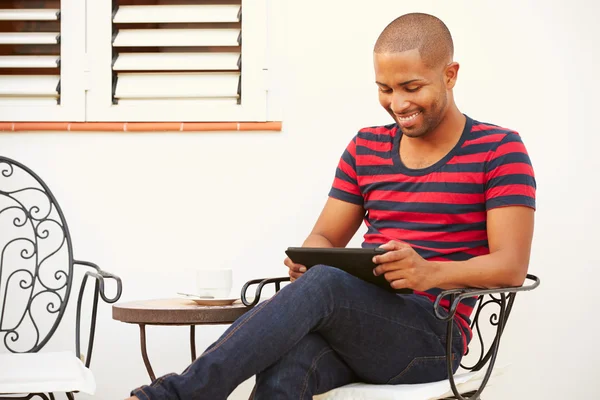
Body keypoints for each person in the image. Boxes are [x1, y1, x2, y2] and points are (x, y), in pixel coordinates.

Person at [127, 12, 535, 400]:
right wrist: (307, 260)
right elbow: (325, 235)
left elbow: (510, 266)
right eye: (385, 89)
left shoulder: (499, 150)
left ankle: (179, 394)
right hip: (360, 328)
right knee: (289, 360)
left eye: (412, 88)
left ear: (450, 75)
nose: (397, 104)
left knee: (324, 284)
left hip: (434, 338)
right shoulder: (366, 147)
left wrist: (429, 273)